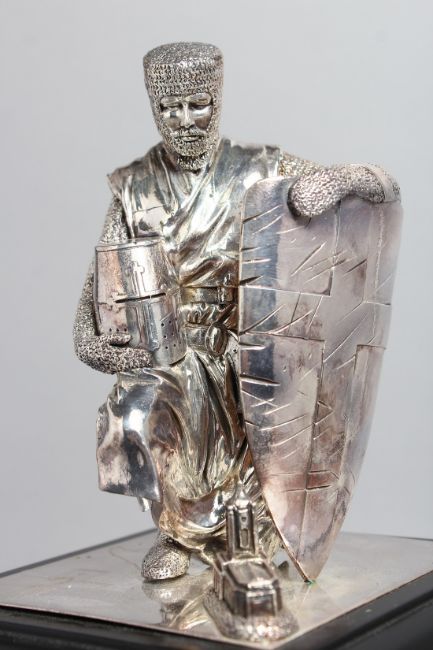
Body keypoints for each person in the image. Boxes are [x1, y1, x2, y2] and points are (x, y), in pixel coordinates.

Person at [73, 42, 399, 581]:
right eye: (169, 108)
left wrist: (343, 180)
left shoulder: (258, 169)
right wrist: (98, 345)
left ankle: (250, 537)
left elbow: (378, 189)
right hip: (170, 351)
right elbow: (96, 294)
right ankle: (178, 531)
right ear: (153, 106)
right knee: (148, 412)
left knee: (263, 421)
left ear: (217, 99)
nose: (185, 121)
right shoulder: (134, 189)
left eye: (198, 104)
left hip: (247, 340)